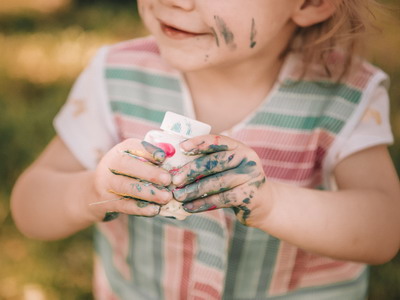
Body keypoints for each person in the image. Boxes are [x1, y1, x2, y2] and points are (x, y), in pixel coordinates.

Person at [11, 0, 400, 299]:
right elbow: (30, 207)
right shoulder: (115, 78)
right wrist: (91, 192)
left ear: (311, 3)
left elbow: (383, 227)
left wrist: (273, 204)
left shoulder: (343, 96)